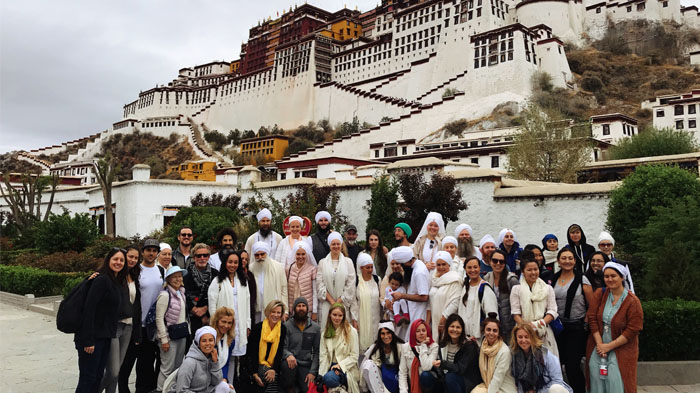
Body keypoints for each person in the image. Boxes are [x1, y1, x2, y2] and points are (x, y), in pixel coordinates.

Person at [74, 248, 126, 393]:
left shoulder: (114, 281)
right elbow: (89, 310)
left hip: (104, 337)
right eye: (115, 259)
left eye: (122, 260)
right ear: (108, 260)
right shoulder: (102, 279)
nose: (119, 262)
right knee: (87, 378)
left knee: (96, 377)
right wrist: (88, 340)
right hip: (92, 339)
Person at [586, 262, 643, 393]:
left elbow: (633, 330)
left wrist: (609, 346)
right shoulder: (600, 294)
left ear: (622, 277)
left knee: (615, 379)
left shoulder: (632, 301)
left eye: (613, 276)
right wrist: (600, 344)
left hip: (621, 348)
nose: (610, 279)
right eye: (606, 276)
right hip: (599, 345)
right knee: (596, 376)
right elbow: (592, 318)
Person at [102, 245, 142, 393]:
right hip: (115, 326)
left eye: (136, 258)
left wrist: (137, 331)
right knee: (112, 371)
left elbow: (136, 305)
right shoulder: (116, 276)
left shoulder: (134, 276)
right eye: (130, 256)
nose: (132, 260)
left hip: (129, 327)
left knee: (117, 370)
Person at [552, 248, 592, 393]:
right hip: (557, 328)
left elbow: (592, 304)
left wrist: (586, 323)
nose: (567, 261)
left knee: (572, 366)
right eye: (564, 258)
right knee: (557, 364)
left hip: (576, 328)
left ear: (575, 261)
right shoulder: (553, 278)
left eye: (570, 258)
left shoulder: (582, 279)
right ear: (558, 261)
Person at [208, 249, 251, 384]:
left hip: (239, 324)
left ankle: (229, 385)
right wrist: (215, 325)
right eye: (230, 262)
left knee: (233, 358)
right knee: (222, 356)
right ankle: (219, 385)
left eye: (235, 262)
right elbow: (212, 304)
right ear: (225, 263)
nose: (232, 265)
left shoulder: (243, 281)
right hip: (223, 325)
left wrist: (247, 324)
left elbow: (248, 303)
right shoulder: (217, 281)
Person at [510, 256, 559, 357]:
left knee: (546, 361)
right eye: (529, 270)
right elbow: (515, 313)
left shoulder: (547, 289)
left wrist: (538, 325)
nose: (533, 272)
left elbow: (552, 311)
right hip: (522, 331)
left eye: (535, 269)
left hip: (543, 329)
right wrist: (526, 328)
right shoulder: (516, 289)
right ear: (523, 272)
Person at [135, 238, 165, 393]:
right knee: (143, 361)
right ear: (143, 252)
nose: (151, 253)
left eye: (154, 251)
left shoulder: (161, 271)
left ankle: (154, 388)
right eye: (148, 250)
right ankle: (141, 389)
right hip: (141, 323)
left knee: (157, 359)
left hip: (156, 323)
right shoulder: (136, 270)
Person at [156, 265, 190, 392]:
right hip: (169, 336)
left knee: (177, 367)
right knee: (167, 368)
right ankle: (161, 390)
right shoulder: (164, 295)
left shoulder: (181, 292)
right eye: (174, 277)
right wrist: (164, 339)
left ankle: (171, 389)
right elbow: (159, 319)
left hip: (181, 334)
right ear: (168, 279)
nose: (178, 279)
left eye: (180, 276)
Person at [511, 323, 572, 393]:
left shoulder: (544, 354)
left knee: (556, 388)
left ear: (532, 337)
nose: (523, 340)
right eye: (520, 337)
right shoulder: (513, 355)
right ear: (515, 338)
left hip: (547, 390)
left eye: (527, 337)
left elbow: (557, 380)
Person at [174, 326, 232, 393]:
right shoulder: (189, 363)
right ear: (198, 343)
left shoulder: (212, 357)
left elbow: (217, 382)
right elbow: (181, 390)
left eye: (210, 340)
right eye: (204, 341)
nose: (208, 344)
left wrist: (215, 362)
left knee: (224, 386)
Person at [281, 297, 322, 393]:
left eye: (303, 306)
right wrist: (288, 355)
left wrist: (312, 372)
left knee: (308, 390)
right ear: (294, 309)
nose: (301, 308)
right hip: (291, 364)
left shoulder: (315, 327)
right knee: (287, 367)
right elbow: (283, 347)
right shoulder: (286, 326)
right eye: (298, 306)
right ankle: (289, 386)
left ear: (307, 309)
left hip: (306, 365)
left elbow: (317, 352)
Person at [317, 232, 356, 329]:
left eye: (338, 244)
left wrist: (338, 303)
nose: (336, 246)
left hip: (342, 304)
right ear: (329, 245)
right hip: (327, 304)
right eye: (333, 244)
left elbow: (350, 285)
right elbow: (320, 284)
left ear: (341, 245)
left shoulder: (348, 262)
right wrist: (332, 303)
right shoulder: (322, 263)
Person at [319, 303, 360, 393]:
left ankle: (341, 388)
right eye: (334, 315)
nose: (337, 318)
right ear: (330, 315)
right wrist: (321, 375)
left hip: (347, 367)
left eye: (340, 315)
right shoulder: (325, 333)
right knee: (325, 379)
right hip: (330, 367)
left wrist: (339, 366)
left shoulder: (351, 331)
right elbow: (323, 357)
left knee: (329, 378)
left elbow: (354, 356)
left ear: (344, 316)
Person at [434, 314, 481, 393]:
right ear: (447, 328)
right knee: (427, 376)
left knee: (450, 377)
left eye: (458, 327)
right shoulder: (443, 344)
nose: (455, 330)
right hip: (448, 378)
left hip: (466, 381)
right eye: (452, 326)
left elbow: (460, 368)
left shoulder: (469, 346)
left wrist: (443, 363)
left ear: (462, 329)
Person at [248, 300, 288, 392]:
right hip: (258, 364)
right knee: (266, 373)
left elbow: (279, 351)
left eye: (278, 312)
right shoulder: (258, 328)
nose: (275, 315)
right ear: (268, 312)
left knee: (271, 376)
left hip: (274, 365)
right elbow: (252, 352)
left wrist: (274, 370)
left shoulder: (282, 329)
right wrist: (254, 373)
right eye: (273, 312)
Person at [471, 314, 517, 393]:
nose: (491, 333)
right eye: (488, 329)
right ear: (484, 331)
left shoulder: (504, 351)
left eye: (495, 330)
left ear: (499, 333)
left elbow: (498, 379)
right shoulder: (483, 346)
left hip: (504, 388)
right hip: (487, 384)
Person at [483, 250, 519, 343]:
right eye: (495, 261)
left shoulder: (512, 280)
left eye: (501, 261)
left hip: (509, 325)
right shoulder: (487, 278)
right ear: (490, 262)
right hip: (493, 325)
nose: (498, 264)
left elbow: (520, 303)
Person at [458, 256, 498, 339]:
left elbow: (491, 315)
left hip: (479, 338)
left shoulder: (485, 288)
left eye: (475, 267)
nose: (472, 270)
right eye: (469, 267)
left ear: (480, 268)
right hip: (464, 337)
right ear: (465, 269)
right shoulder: (465, 286)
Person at [185, 244, 219, 339]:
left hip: (211, 316)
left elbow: (220, 295)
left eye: (205, 255)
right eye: (198, 256)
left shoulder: (216, 274)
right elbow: (183, 295)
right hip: (192, 318)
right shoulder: (186, 275)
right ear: (194, 257)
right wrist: (194, 309)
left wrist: (206, 309)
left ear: (209, 257)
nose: (202, 258)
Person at [249, 241, 288, 323]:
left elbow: (284, 290)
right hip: (257, 312)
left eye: (262, 254)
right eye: (257, 255)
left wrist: (285, 311)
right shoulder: (251, 269)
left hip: (274, 312)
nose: (260, 257)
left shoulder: (278, 267)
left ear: (267, 254)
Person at [391, 246, 430, 326]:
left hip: (419, 314)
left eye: (402, 265)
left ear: (406, 262)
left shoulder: (419, 272)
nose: (402, 267)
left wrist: (402, 296)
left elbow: (424, 297)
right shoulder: (415, 266)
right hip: (414, 312)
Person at [361, 322, 405, 393]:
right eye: (383, 333)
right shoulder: (374, 348)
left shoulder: (400, 347)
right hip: (381, 384)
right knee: (368, 364)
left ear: (392, 334)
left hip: (398, 382)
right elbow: (364, 369)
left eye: (388, 333)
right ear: (379, 335)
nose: (386, 336)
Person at [398, 319, 439, 393]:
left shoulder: (434, 346)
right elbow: (402, 373)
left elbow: (426, 367)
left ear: (427, 332)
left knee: (425, 375)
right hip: (413, 385)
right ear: (413, 333)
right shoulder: (406, 347)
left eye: (423, 330)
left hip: (429, 386)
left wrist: (423, 346)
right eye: (417, 331)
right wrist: (403, 391)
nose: (421, 333)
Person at [354, 253, 383, 354]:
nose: (370, 270)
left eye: (371, 267)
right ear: (361, 268)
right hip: (361, 319)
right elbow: (354, 302)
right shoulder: (356, 281)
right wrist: (354, 320)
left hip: (375, 318)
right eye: (367, 268)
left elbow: (381, 297)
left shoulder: (377, 280)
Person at [428, 251, 462, 337]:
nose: (441, 267)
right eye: (438, 265)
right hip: (435, 321)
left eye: (444, 264)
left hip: (448, 320)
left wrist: (443, 319)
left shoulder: (455, 279)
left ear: (449, 265)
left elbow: (455, 302)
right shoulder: (434, 279)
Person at [285, 241, 318, 321]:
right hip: (292, 310)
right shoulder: (288, 269)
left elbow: (315, 291)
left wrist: (314, 311)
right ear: (294, 255)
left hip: (307, 310)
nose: (300, 257)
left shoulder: (312, 269)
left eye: (303, 254)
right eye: (298, 254)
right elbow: (285, 291)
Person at [210, 307, 236, 386]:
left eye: (229, 323)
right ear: (216, 321)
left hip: (219, 376)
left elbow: (225, 363)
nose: (226, 326)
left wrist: (224, 378)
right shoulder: (209, 337)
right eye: (223, 322)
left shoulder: (230, 340)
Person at [239, 250, 258, 318]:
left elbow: (253, 294)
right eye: (242, 259)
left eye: (246, 259)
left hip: (248, 309)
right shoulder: (232, 274)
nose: (244, 261)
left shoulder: (250, 275)